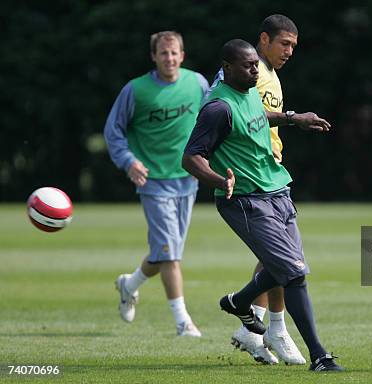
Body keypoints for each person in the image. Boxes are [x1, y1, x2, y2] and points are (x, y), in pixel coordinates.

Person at [182, 39, 343, 372]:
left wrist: (292, 118)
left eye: (256, 64)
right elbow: (191, 157)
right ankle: (320, 357)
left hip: (277, 188)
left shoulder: (249, 92)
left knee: (285, 266)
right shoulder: (218, 108)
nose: (255, 69)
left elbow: (257, 114)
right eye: (247, 65)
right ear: (227, 68)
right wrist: (217, 181)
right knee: (294, 272)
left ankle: (239, 302)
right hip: (246, 200)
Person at [206, 14, 304, 365]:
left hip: (270, 174)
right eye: (284, 44)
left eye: (294, 45)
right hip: (250, 178)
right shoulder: (247, 71)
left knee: (273, 257)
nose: (290, 51)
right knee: (280, 258)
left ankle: (254, 329)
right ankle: (272, 328)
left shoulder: (272, 75)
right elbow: (221, 109)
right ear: (264, 39)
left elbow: (260, 117)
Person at [104, 31, 210, 337]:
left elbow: (211, 121)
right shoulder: (135, 90)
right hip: (153, 182)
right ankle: (183, 322)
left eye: (174, 52)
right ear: (154, 57)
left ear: (182, 54)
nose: (169, 58)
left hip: (187, 181)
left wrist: (203, 159)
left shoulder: (198, 84)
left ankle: (130, 284)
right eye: (163, 53)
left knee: (165, 252)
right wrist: (129, 161)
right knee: (171, 255)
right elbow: (113, 132)